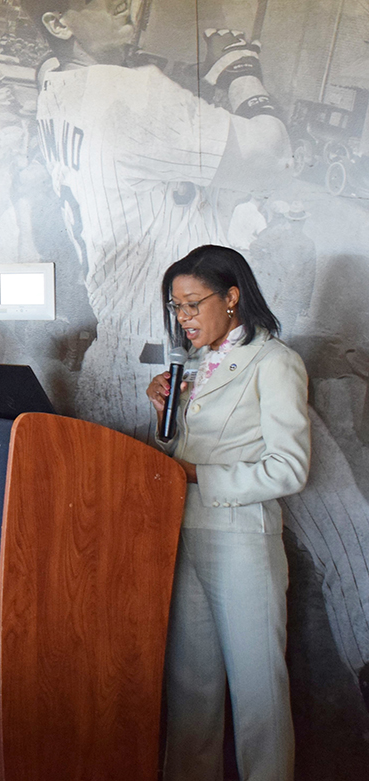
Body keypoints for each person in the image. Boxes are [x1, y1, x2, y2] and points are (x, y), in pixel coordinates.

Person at [21, 0, 292, 441]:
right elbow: (273, 157)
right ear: (58, 22)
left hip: (115, 359)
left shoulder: (55, 85)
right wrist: (240, 70)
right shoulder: (130, 92)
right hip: (165, 377)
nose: (123, 5)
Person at [145, 245, 310, 781]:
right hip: (186, 533)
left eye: (193, 303)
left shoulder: (276, 362)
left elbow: (289, 468)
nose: (184, 318)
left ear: (232, 296)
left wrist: (199, 476)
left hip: (242, 540)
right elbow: (180, 456)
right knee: (192, 692)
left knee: (259, 693)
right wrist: (162, 415)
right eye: (176, 307)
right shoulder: (194, 364)